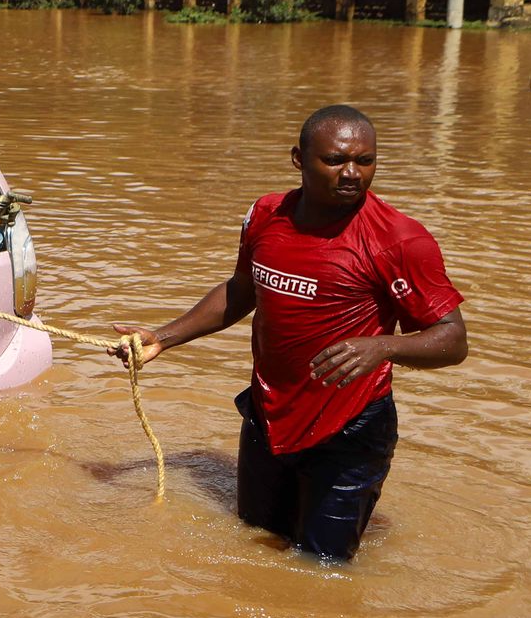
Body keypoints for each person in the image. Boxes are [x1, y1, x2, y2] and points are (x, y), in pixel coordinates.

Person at [113, 105, 468, 562]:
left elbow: (452, 339)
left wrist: (384, 346)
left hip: (349, 427)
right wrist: (164, 337)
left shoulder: (399, 239)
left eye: (365, 160)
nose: (352, 173)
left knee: (321, 569)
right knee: (254, 545)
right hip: (268, 415)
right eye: (336, 160)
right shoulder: (265, 215)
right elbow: (243, 290)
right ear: (299, 159)